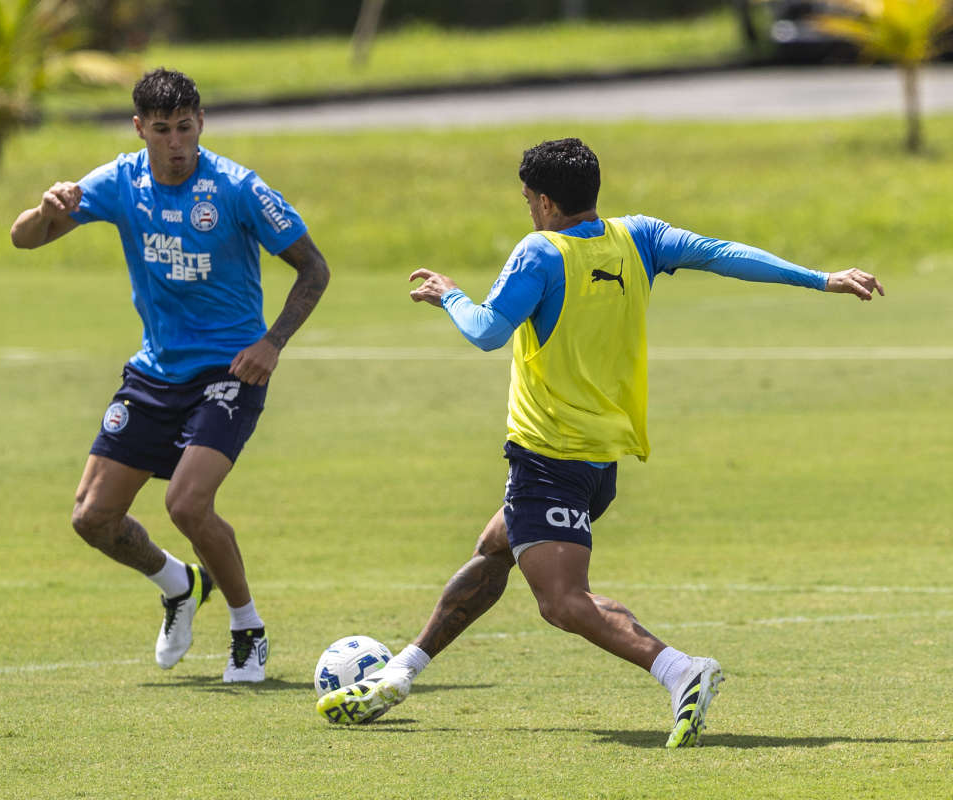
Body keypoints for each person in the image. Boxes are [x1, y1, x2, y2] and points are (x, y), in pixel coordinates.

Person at [316, 137, 883, 746]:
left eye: (529, 198)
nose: (528, 208)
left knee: (561, 601)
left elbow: (485, 331)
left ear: (543, 201)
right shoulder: (638, 235)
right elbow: (723, 254)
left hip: (549, 455)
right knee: (493, 551)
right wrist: (821, 278)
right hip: (599, 458)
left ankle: (680, 669)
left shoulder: (541, 252)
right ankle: (400, 673)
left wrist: (449, 294)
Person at [10, 68, 329, 683]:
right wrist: (44, 208)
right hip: (154, 374)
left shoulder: (238, 189)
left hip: (230, 370)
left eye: (186, 127)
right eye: (162, 130)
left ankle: (247, 628)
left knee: (186, 502)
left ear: (201, 123)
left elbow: (313, 268)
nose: (177, 142)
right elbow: (25, 240)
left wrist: (272, 343)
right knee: (91, 518)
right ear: (140, 130)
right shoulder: (119, 182)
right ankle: (179, 584)